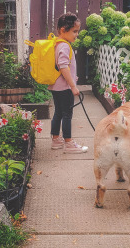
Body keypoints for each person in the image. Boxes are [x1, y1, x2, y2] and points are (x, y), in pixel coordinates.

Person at [49, 12, 88, 153]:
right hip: (65, 87)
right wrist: (73, 86)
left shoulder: (57, 44)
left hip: (56, 86)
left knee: (58, 113)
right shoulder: (65, 46)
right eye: (74, 31)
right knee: (67, 114)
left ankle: (55, 140)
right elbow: (63, 66)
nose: (76, 34)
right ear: (63, 30)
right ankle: (69, 143)